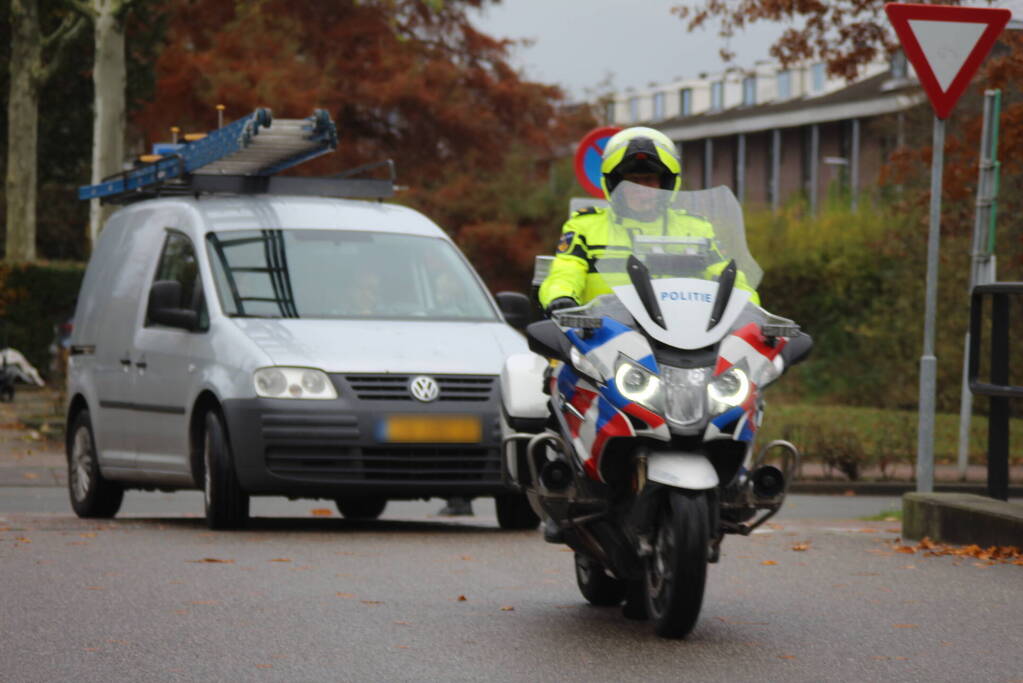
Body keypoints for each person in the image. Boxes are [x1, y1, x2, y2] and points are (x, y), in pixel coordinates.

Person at [538, 126, 760, 314]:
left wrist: (751, 309)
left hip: (685, 337)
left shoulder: (695, 229)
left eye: (650, 180)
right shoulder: (586, 227)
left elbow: (728, 275)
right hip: (601, 338)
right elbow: (565, 272)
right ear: (615, 185)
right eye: (632, 181)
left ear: (666, 184)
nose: (641, 189)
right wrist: (561, 297)